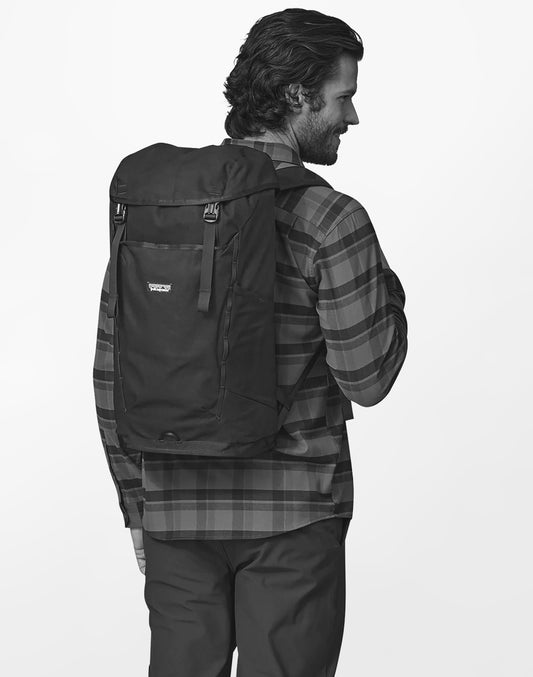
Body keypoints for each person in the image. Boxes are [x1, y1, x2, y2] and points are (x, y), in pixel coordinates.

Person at [93, 8, 408, 677]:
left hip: (174, 512)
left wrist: (137, 508)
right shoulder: (330, 217)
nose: (352, 117)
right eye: (343, 97)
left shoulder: (161, 210)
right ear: (296, 96)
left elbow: (111, 372)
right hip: (294, 517)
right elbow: (368, 378)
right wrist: (390, 292)